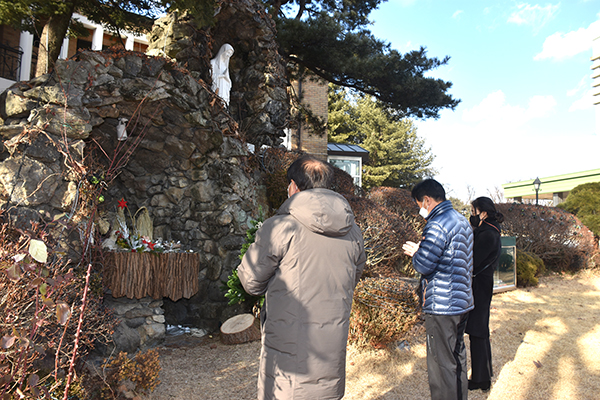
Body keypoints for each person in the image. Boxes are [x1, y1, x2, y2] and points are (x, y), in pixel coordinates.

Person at [237, 155, 366, 400]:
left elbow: (251, 281)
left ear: (294, 187)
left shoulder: (280, 227)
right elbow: (354, 275)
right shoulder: (353, 231)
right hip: (331, 343)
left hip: (287, 346)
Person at [402, 179, 474, 400]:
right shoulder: (462, 221)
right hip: (462, 302)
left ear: (427, 200)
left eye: (419, 204)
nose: (419, 210)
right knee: (457, 357)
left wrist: (416, 252)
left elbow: (424, 264)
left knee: (440, 365)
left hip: (442, 305)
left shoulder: (437, 224)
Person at [466, 197, 503, 392]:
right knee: (479, 330)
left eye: (474, 211)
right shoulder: (490, 229)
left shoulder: (488, 233)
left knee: (478, 331)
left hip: (479, 285)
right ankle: (483, 375)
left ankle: (481, 378)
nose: (472, 215)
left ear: (484, 212)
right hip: (482, 283)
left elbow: (474, 260)